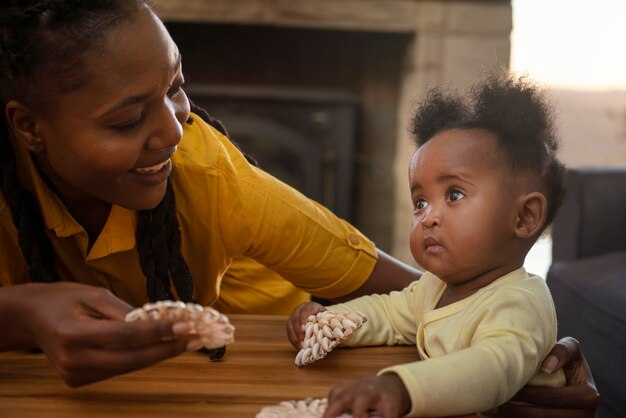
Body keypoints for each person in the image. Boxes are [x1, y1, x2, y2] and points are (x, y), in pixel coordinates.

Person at [0, 2, 598, 415]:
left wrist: (519, 345)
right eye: (128, 118)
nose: (175, 132)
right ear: (27, 127)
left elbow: (433, 294)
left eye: (177, 87)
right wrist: (20, 314)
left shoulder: (209, 171)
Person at [286, 75, 600, 417]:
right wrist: (328, 323)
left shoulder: (519, 304)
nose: (428, 217)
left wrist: (403, 386)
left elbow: (490, 369)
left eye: (454, 195)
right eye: (420, 201)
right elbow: (388, 314)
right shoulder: (434, 288)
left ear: (525, 216)